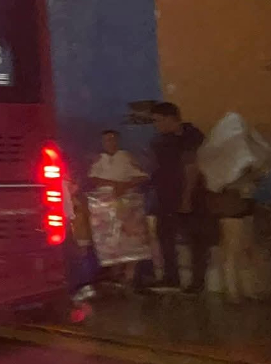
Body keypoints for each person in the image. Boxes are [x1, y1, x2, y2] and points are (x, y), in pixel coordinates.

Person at [149, 101, 211, 293]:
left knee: (195, 239)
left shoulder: (190, 136)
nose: (156, 125)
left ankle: (197, 282)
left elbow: (191, 168)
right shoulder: (163, 140)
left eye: (158, 120)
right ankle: (171, 277)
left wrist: (186, 198)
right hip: (166, 195)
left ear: (170, 119)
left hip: (189, 195)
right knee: (165, 236)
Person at [86, 129, 150, 287]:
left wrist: (125, 186)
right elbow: (93, 178)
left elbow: (142, 176)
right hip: (105, 206)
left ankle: (131, 274)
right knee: (111, 240)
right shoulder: (100, 159)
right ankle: (115, 273)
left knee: (131, 239)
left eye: (112, 139)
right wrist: (113, 185)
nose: (110, 143)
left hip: (127, 204)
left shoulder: (126, 157)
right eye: (106, 140)